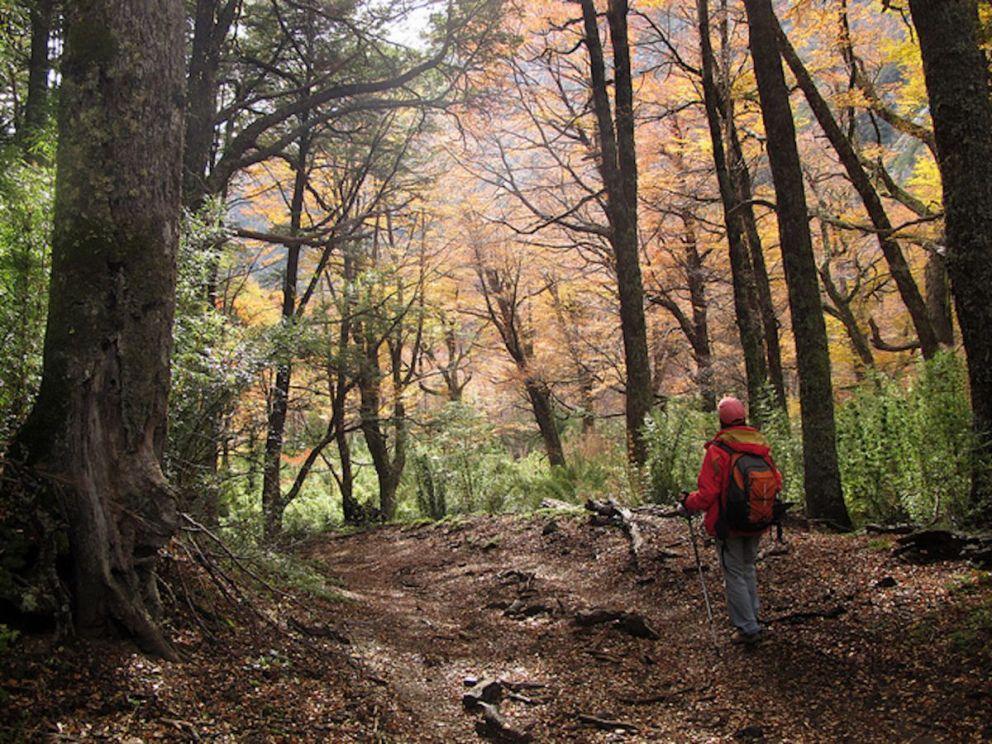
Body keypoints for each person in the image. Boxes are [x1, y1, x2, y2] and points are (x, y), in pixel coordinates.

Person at [678, 396, 782, 645]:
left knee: (734, 572)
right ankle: (751, 618)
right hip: (757, 519)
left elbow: (707, 494)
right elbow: (776, 482)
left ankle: (748, 628)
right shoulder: (760, 447)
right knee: (747, 568)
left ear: (721, 420)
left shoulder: (718, 450)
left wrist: (687, 502)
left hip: (729, 523)